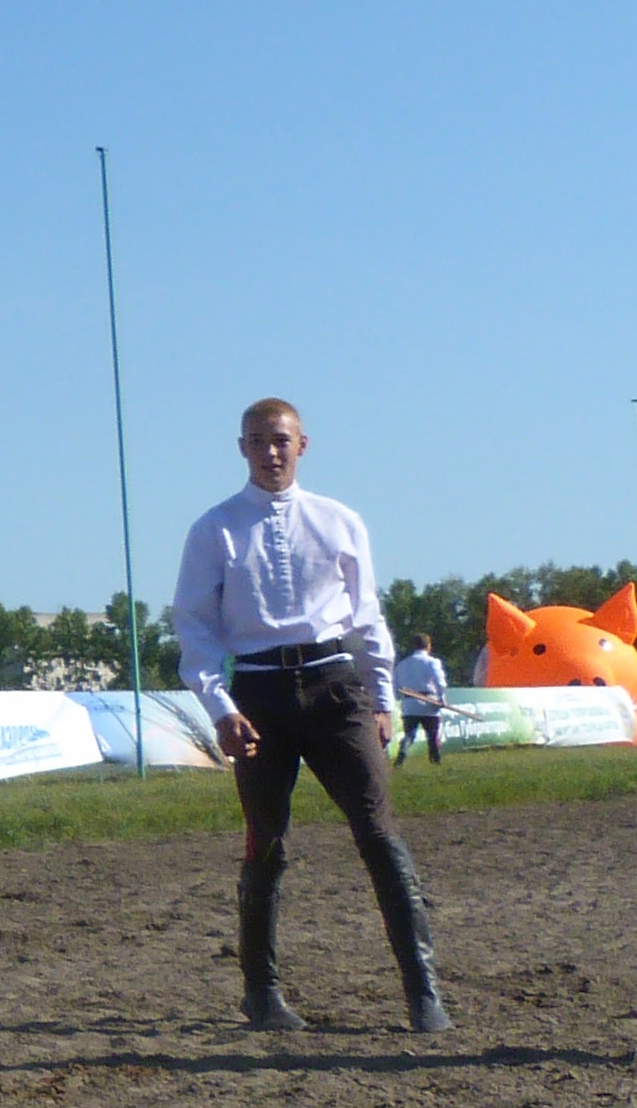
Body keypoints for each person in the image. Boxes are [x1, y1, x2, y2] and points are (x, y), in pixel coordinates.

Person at [170, 402, 448, 1037]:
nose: (271, 452)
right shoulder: (214, 530)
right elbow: (196, 629)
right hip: (258, 697)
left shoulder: (339, 521)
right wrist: (222, 709)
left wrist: (382, 699)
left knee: (379, 834)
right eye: (258, 441)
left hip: (335, 689)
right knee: (266, 844)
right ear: (241, 448)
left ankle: (423, 990)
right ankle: (262, 993)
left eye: (281, 441)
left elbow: (367, 615)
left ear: (303, 445)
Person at [392, 640, 451, 764]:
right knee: (432, 735)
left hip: (409, 704)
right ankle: (435, 760)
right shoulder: (432, 662)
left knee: (409, 734)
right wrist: (442, 698)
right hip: (429, 702)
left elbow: (395, 685)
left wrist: (400, 698)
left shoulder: (402, 664)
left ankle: (402, 753)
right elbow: (439, 681)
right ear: (428, 646)